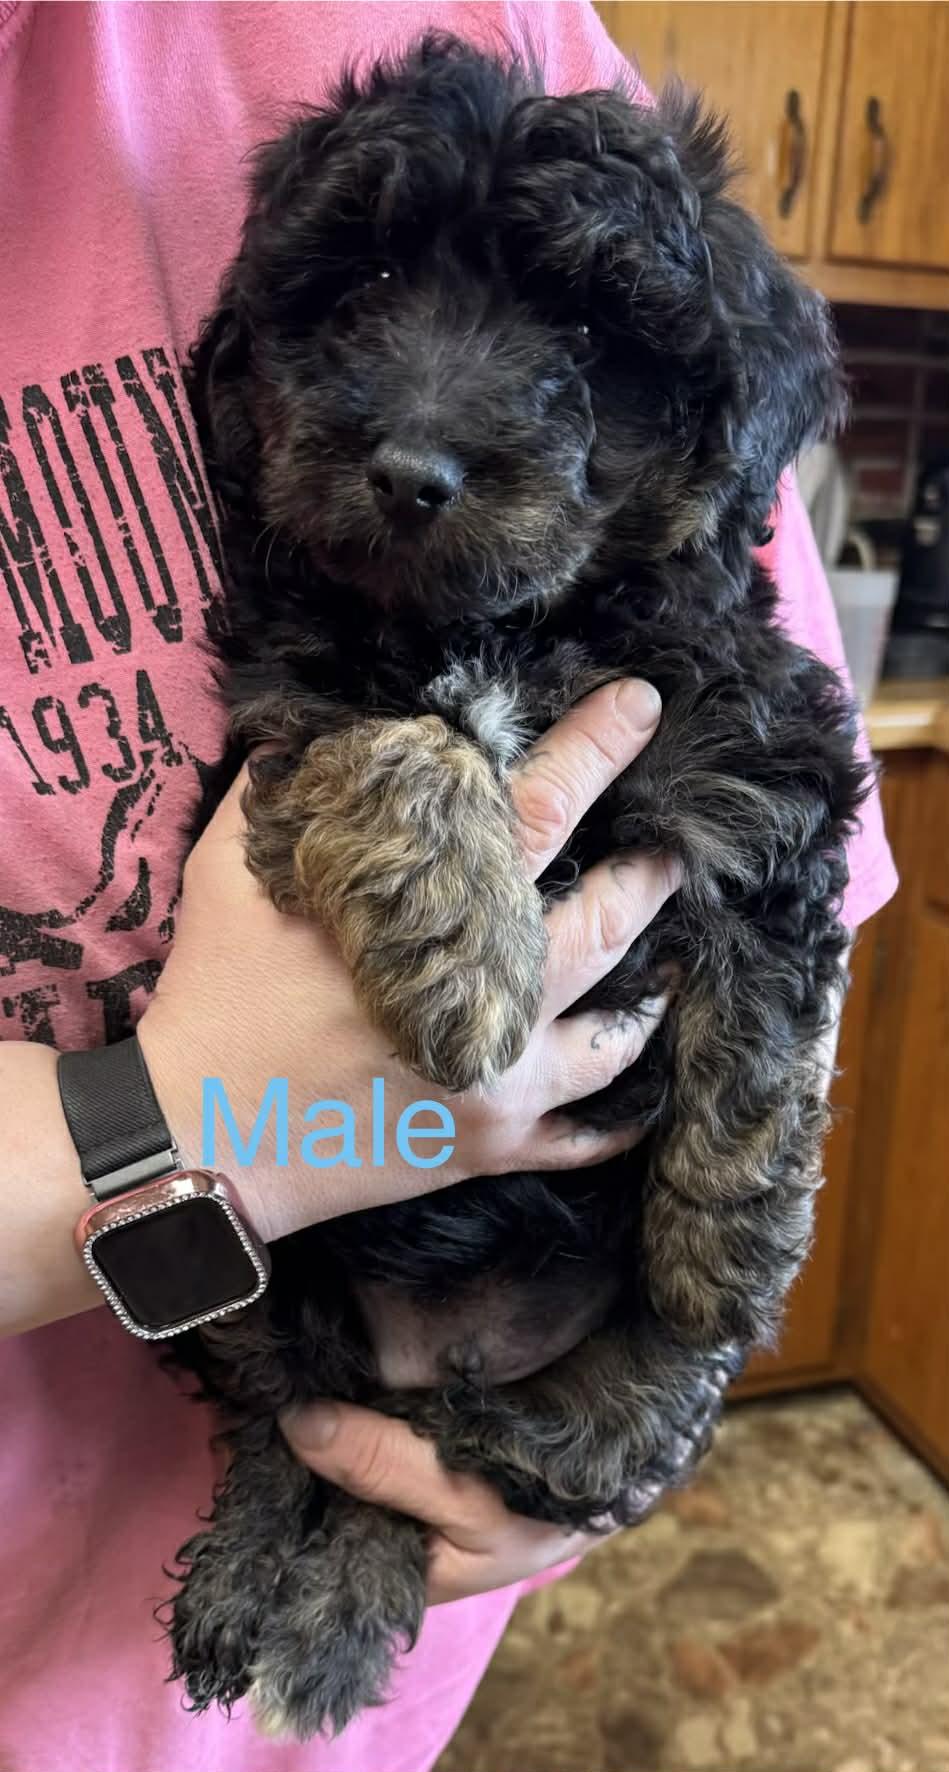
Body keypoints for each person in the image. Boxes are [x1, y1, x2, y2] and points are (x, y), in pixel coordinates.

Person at [0, 4, 897, 1769]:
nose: (419, 424)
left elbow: (787, 898)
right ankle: (295, 1488)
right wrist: (191, 1124)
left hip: (524, 1381)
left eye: (559, 360)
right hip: (229, 1373)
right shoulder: (322, 640)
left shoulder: (465, 20)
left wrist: (679, 1350)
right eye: (358, 320)